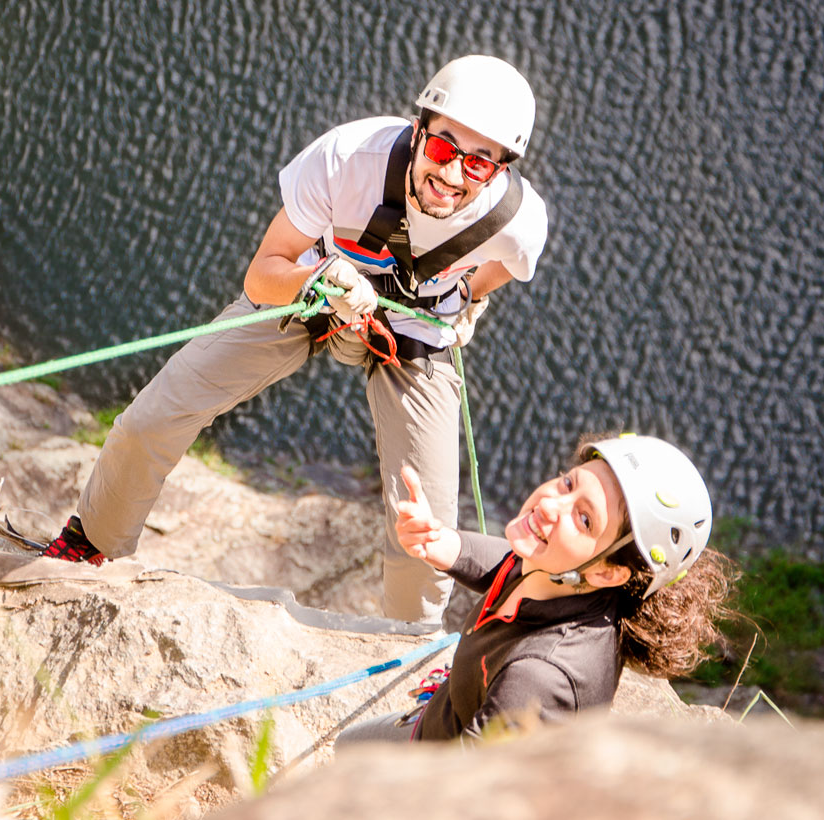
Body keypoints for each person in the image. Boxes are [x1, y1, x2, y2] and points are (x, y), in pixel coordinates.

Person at [39, 55, 549, 627]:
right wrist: (320, 281)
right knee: (149, 421)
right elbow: (262, 273)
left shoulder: (518, 219)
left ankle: (407, 640)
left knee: (425, 521)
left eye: (478, 165)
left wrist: (469, 303)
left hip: (413, 325)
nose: (453, 175)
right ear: (417, 131)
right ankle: (93, 542)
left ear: (502, 171)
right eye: (441, 149)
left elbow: (507, 265)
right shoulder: (346, 159)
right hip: (313, 289)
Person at [336, 433, 738, 744]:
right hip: (444, 722)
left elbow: (461, 792)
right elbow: (511, 562)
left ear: (610, 572)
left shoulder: (539, 679)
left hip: (438, 767)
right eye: (568, 484)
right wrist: (442, 544)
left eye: (584, 519)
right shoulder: (565, 575)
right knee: (347, 746)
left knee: (347, 758)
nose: (549, 506)